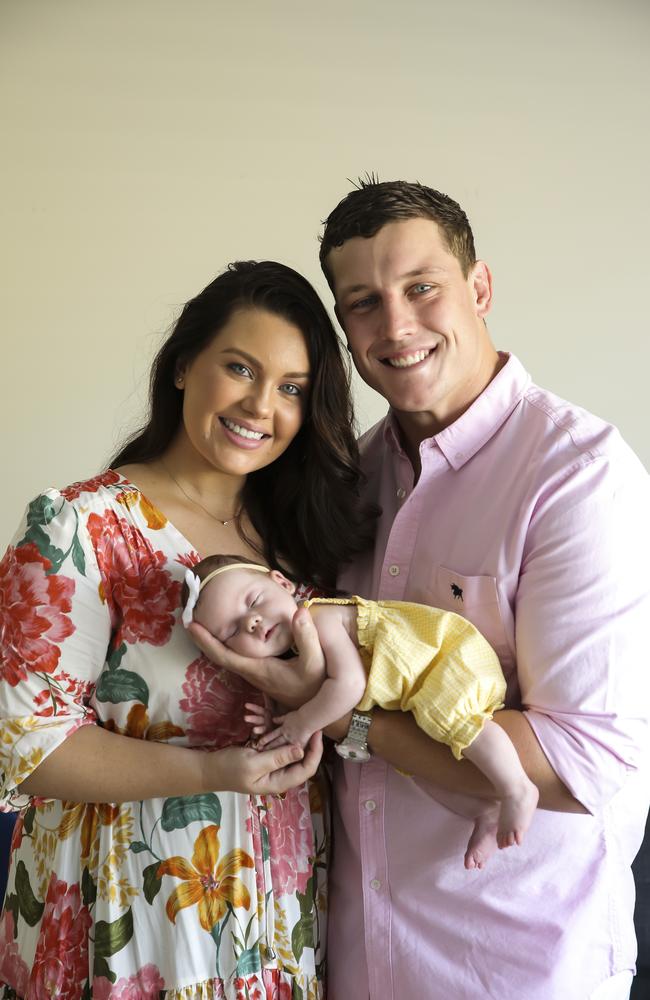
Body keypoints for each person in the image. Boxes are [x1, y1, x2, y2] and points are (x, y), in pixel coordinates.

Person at [189, 182, 650, 999]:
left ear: (479, 288)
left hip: (515, 968)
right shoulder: (347, 482)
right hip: (350, 959)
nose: (395, 326)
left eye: (421, 288)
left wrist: (349, 717)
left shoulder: (578, 476)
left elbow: (588, 761)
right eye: (363, 302)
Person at [0, 260, 376, 999]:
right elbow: (25, 746)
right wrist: (209, 775)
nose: (261, 406)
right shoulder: (82, 526)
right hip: (128, 920)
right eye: (240, 368)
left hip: (284, 923)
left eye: (293, 389)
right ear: (181, 366)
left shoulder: (304, 540)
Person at [182, 553, 538, 870]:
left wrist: (301, 724)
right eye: (232, 630)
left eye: (253, 601)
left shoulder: (317, 618)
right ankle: (484, 810)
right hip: (411, 692)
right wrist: (278, 718)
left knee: (460, 723)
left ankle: (517, 787)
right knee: (423, 766)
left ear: (282, 582)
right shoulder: (286, 657)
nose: (252, 622)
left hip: (440, 662)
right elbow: (308, 693)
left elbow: (347, 686)